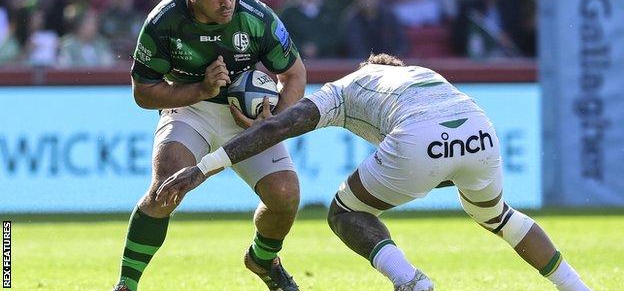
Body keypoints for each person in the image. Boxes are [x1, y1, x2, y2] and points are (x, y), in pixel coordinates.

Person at [156, 53, 593, 291]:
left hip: (419, 140)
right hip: (480, 129)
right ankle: (577, 289)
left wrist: (206, 166)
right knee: (500, 217)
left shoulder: (347, 88)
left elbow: (277, 126)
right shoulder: (422, 73)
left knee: (344, 214)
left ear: (371, 69)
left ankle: (411, 283)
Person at [112, 0, 306, 291]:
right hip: (190, 107)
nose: (227, 1)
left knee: (286, 194)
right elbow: (143, 93)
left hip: (247, 117)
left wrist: (272, 121)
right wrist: (199, 90)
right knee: (165, 188)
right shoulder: (163, 21)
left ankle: (262, 259)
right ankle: (126, 285)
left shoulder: (256, 17)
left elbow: (294, 75)